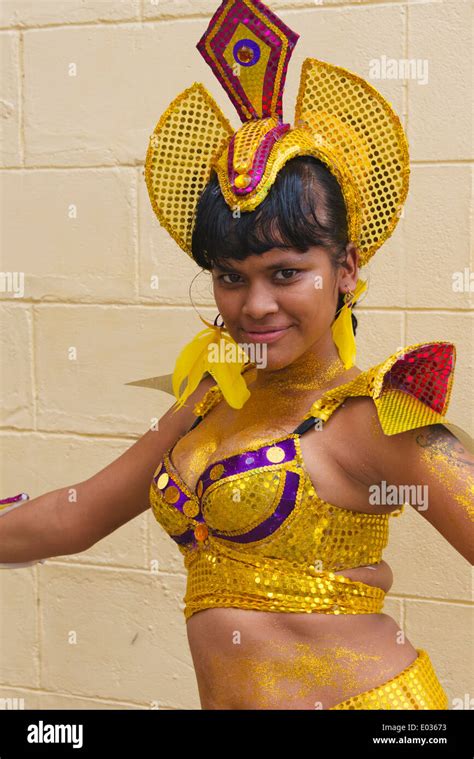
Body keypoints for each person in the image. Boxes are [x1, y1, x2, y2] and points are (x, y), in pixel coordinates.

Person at [1, 0, 473, 710]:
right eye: (231, 275)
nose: (253, 305)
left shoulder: (378, 415)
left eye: (285, 272)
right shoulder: (209, 399)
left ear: (344, 268)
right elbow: (77, 513)